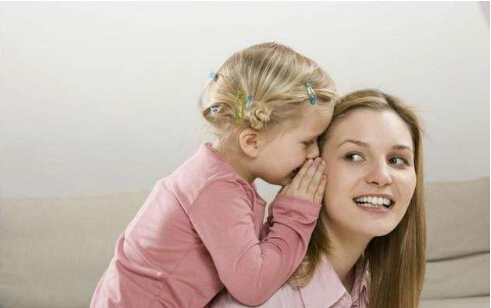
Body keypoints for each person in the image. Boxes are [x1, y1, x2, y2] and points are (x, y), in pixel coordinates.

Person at [89, 42, 338, 308]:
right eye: (308, 141)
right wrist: (296, 214)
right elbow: (252, 287)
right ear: (251, 142)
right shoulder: (216, 189)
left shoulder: (219, 177)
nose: (315, 153)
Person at [211, 89, 426, 308]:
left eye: (397, 160)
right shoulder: (270, 297)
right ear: (309, 165)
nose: (381, 176)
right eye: (354, 156)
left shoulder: (365, 283)